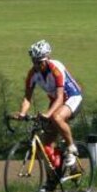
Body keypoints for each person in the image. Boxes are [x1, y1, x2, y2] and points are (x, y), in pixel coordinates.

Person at [16, 40, 83, 176]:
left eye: (39, 62)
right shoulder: (32, 74)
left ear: (47, 59)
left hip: (72, 97)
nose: (37, 65)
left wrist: (48, 114)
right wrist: (22, 113)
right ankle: (53, 178)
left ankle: (71, 148)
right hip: (56, 102)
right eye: (34, 61)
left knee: (56, 117)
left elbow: (59, 97)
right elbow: (27, 98)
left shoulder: (55, 68)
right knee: (46, 146)